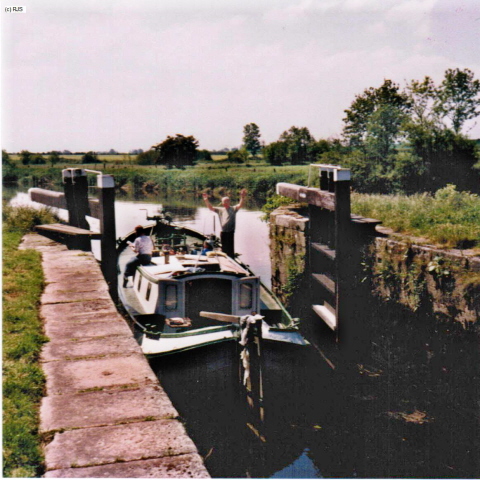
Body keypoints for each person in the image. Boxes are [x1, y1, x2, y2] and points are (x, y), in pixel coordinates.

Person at [202, 189, 247, 258]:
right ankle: (225, 257)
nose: (226, 202)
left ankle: (231, 258)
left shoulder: (233, 208)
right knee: (224, 247)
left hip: (230, 231)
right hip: (223, 232)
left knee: (230, 248)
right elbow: (210, 208)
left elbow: (240, 204)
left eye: (227, 201)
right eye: (225, 201)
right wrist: (206, 200)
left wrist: (242, 197)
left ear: (229, 202)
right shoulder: (220, 210)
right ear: (222, 203)